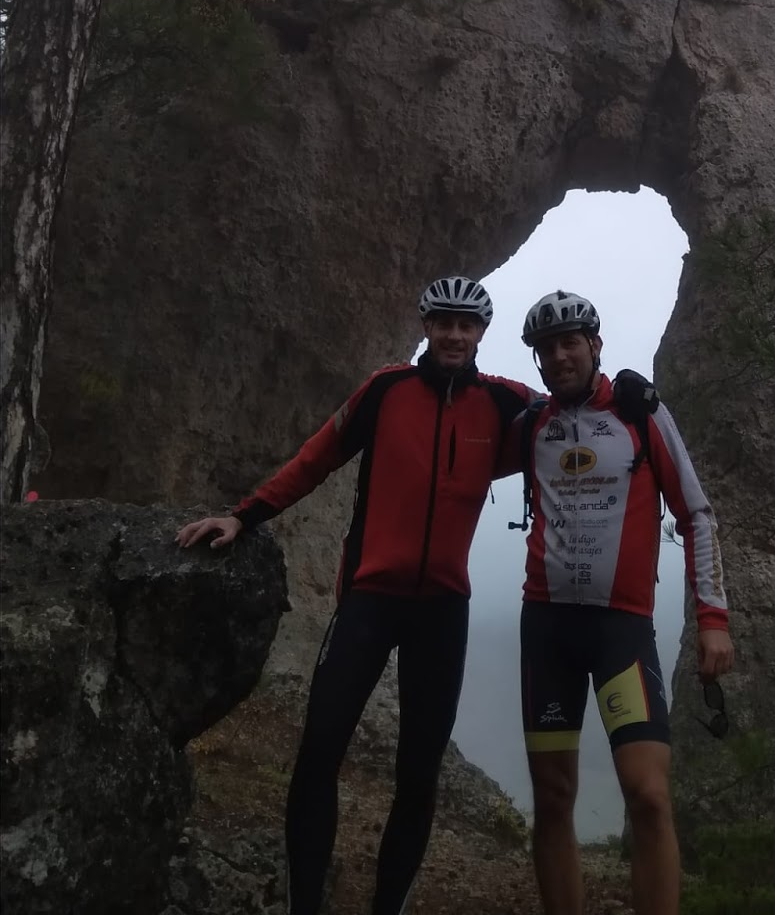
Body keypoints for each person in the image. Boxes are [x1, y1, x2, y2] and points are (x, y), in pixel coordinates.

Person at [175, 276, 534, 915]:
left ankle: (386, 906)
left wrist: (630, 397)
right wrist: (244, 515)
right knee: (318, 755)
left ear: (482, 332)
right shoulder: (386, 391)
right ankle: (305, 904)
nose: (454, 334)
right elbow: (317, 457)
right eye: (443, 322)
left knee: (418, 777)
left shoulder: (506, 405)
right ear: (427, 327)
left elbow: (578, 417)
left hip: (444, 609)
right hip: (369, 597)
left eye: (467, 324)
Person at [512, 289, 734, 915]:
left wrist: (713, 618)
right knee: (553, 797)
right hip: (547, 627)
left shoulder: (639, 412)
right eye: (547, 348)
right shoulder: (533, 425)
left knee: (649, 795)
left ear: (595, 346)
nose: (559, 355)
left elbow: (696, 514)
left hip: (621, 631)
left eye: (570, 343)